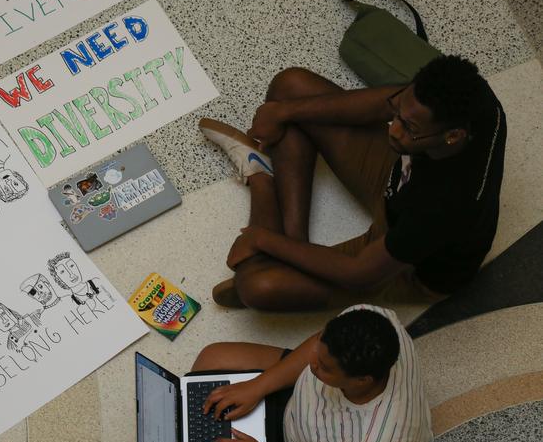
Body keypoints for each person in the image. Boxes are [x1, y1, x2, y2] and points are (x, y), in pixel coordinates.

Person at [199, 56, 506, 311]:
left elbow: (359, 273)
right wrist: (283, 110)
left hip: (405, 263)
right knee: (290, 87)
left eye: (409, 127)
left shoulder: (444, 206)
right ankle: (294, 244)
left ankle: (262, 180)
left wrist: (261, 240)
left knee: (257, 287)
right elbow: (382, 106)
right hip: (397, 182)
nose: (393, 131)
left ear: (452, 136)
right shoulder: (473, 99)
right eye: (398, 113)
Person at [194, 305, 433, 442]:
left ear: (362, 380)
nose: (311, 362)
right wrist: (257, 386)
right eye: (319, 346)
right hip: (302, 415)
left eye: (324, 367)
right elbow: (318, 351)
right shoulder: (372, 318)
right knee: (212, 358)